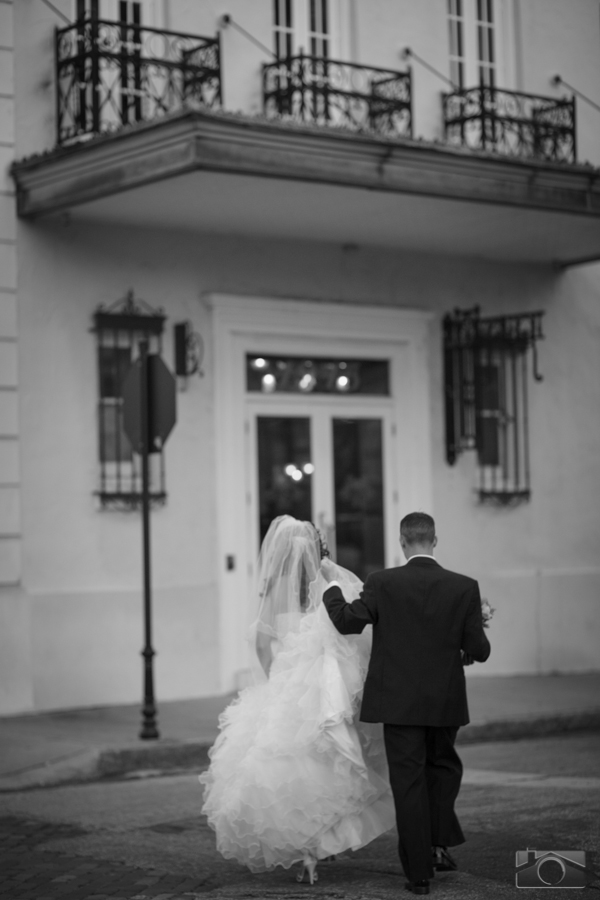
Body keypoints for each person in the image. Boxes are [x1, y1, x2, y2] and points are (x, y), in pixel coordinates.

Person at [199, 515, 395, 884]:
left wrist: (275, 678)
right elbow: (353, 640)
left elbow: (259, 643)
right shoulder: (330, 589)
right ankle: (322, 843)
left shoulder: (273, 594)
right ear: (316, 551)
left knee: (286, 771)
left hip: (286, 692)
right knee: (328, 767)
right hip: (319, 696)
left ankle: (306, 855)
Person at [323, 511, 491, 896]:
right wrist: (472, 636)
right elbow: (478, 650)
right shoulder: (464, 586)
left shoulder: (383, 582)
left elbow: (348, 621)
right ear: (435, 540)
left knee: (410, 784)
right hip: (445, 702)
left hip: (398, 704)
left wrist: (330, 590)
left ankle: (419, 872)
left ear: (402, 541)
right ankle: (437, 847)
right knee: (442, 771)